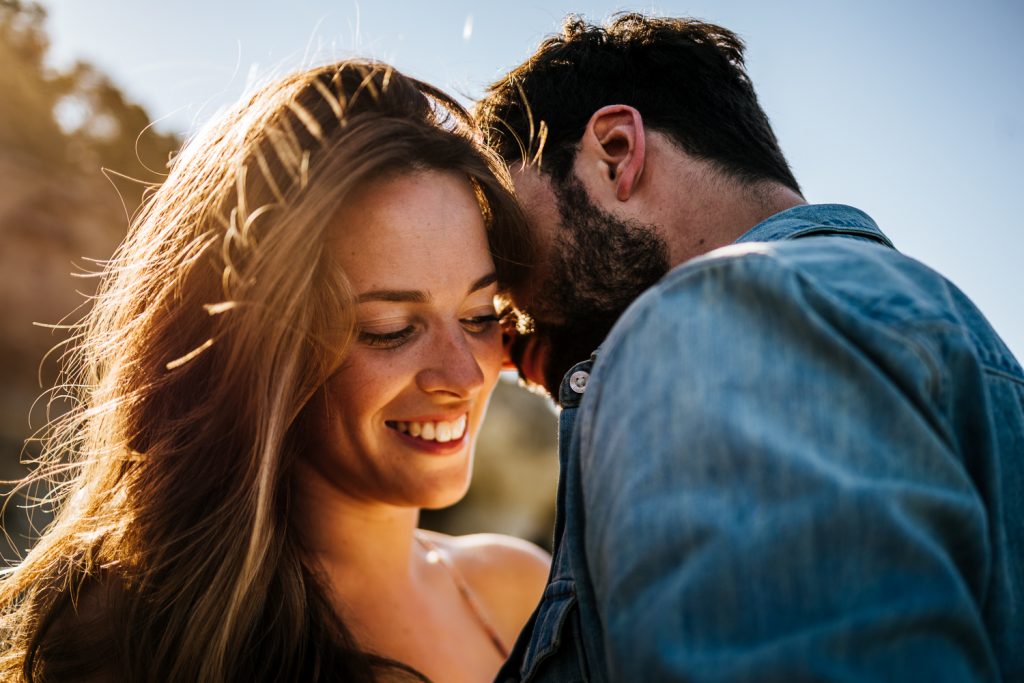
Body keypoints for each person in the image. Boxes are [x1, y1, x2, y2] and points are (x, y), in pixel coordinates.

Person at [476, 13, 1024, 683]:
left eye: (510, 239)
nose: (511, 313)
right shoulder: (952, 333)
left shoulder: (707, 322)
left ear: (617, 149)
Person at [0, 60, 550, 682]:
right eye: (389, 330)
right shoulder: (137, 639)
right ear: (259, 348)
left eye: (479, 316)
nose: (467, 375)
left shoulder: (525, 592)